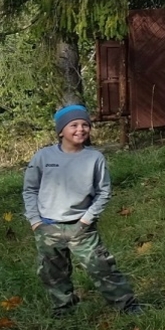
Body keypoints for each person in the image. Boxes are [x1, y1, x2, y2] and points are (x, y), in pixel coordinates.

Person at [22, 105, 141, 316]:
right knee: (52, 272)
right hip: (48, 227)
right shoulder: (43, 157)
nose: (81, 129)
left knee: (102, 266)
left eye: (85, 124)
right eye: (74, 125)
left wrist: (86, 220)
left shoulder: (94, 158)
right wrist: (35, 221)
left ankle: (126, 305)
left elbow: (103, 192)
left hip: (81, 227)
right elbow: (30, 189)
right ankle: (63, 308)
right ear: (61, 131)